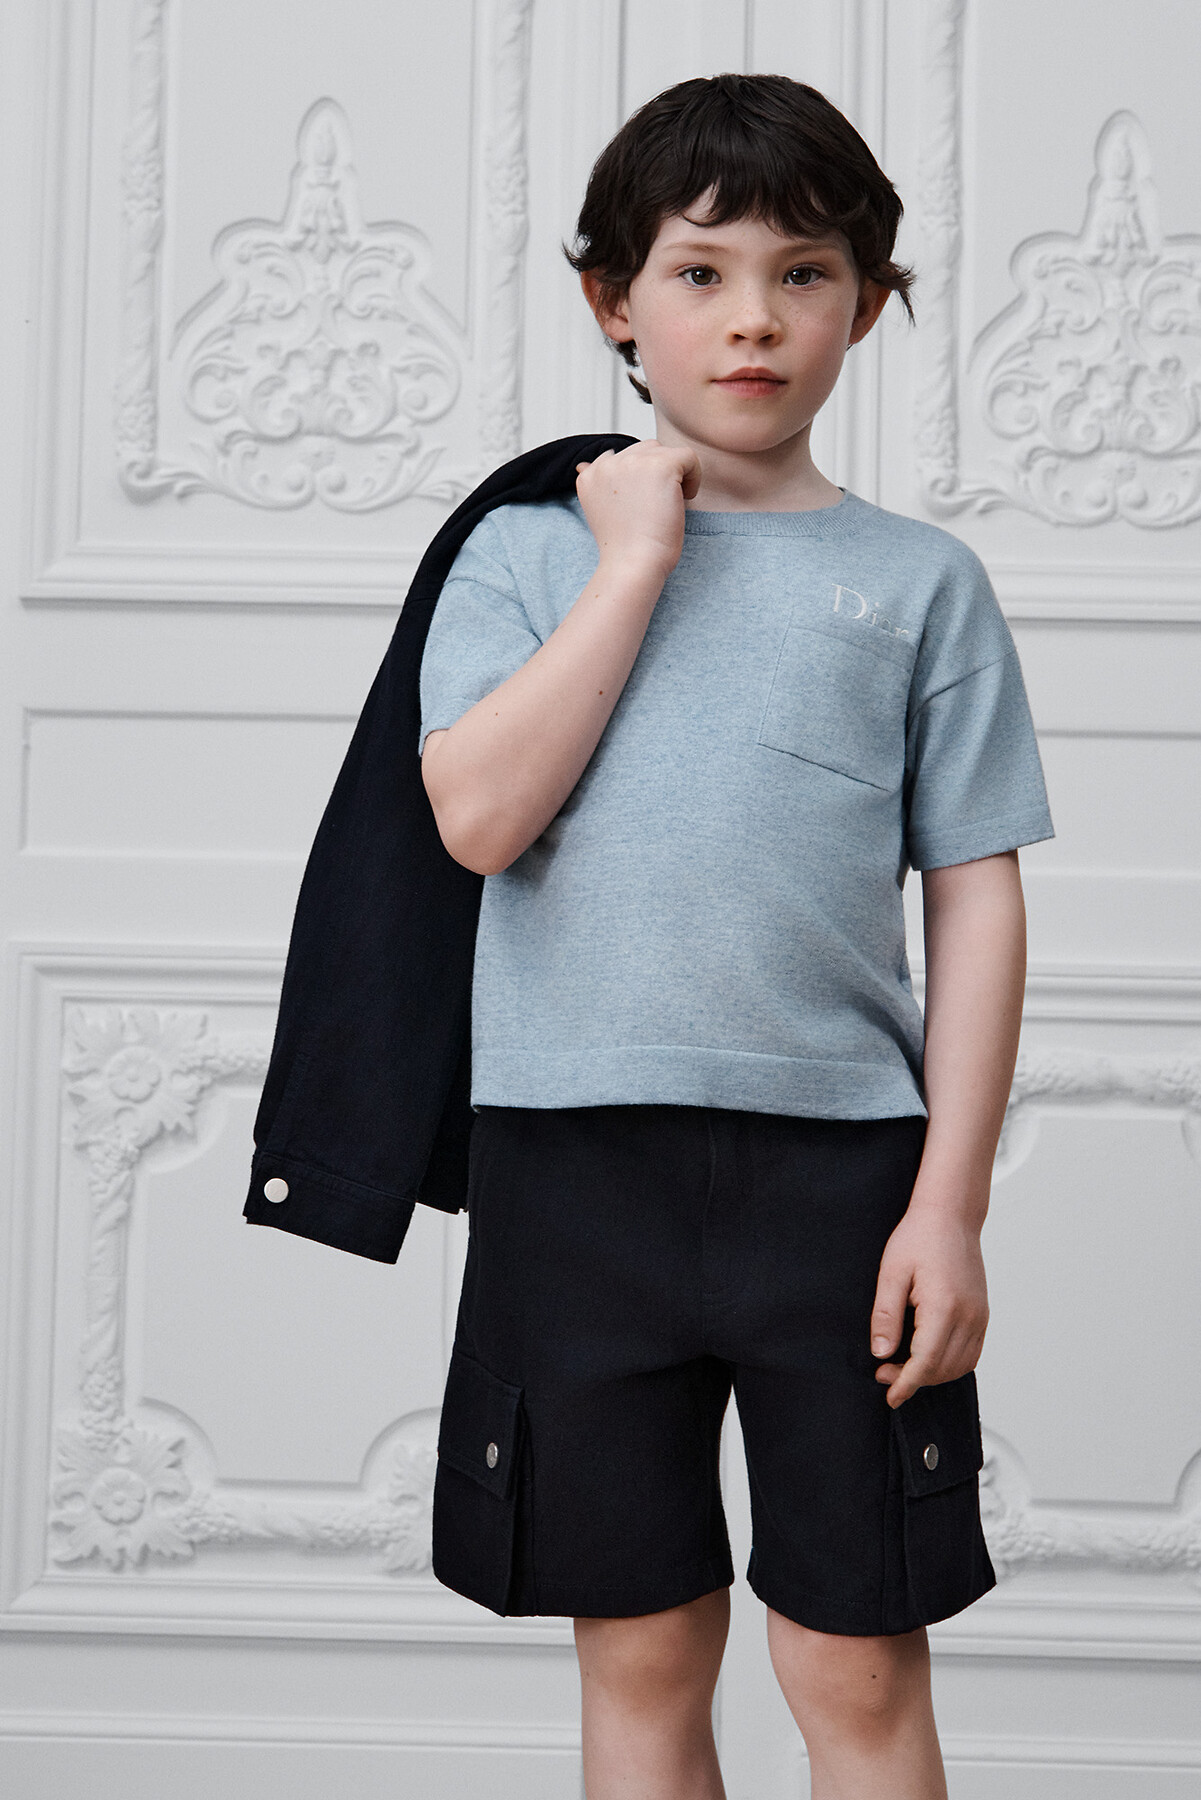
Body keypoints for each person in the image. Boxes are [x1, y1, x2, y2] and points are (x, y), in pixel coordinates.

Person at [417, 73, 1054, 1800]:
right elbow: (476, 819)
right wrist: (633, 558)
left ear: (867, 303)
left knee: (855, 1661)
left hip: (842, 1184)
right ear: (612, 304)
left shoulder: (920, 585)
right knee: (638, 1654)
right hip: (573, 1165)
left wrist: (948, 1205)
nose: (753, 318)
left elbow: (974, 896)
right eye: (699, 273)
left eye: (804, 273)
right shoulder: (522, 553)